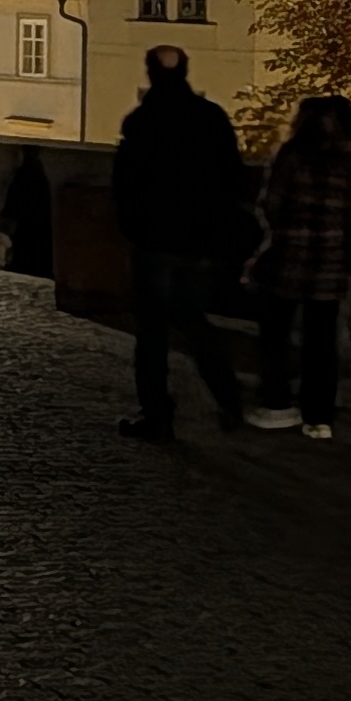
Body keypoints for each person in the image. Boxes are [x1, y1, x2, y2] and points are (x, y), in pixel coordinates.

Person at [111, 42, 249, 439]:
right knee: (194, 322)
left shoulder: (142, 120)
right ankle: (229, 397)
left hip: (154, 241)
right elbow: (234, 179)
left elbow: (125, 184)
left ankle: (157, 415)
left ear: (150, 73)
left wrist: (132, 228)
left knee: (152, 331)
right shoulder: (211, 117)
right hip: (199, 241)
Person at [246, 93, 351, 440]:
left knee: (276, 335)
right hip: (330, 260)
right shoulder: (350, 160)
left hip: (289, 257)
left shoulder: (291, 156)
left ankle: (277, 403)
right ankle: (319, 416)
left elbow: (271, 204)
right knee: (320, 342)